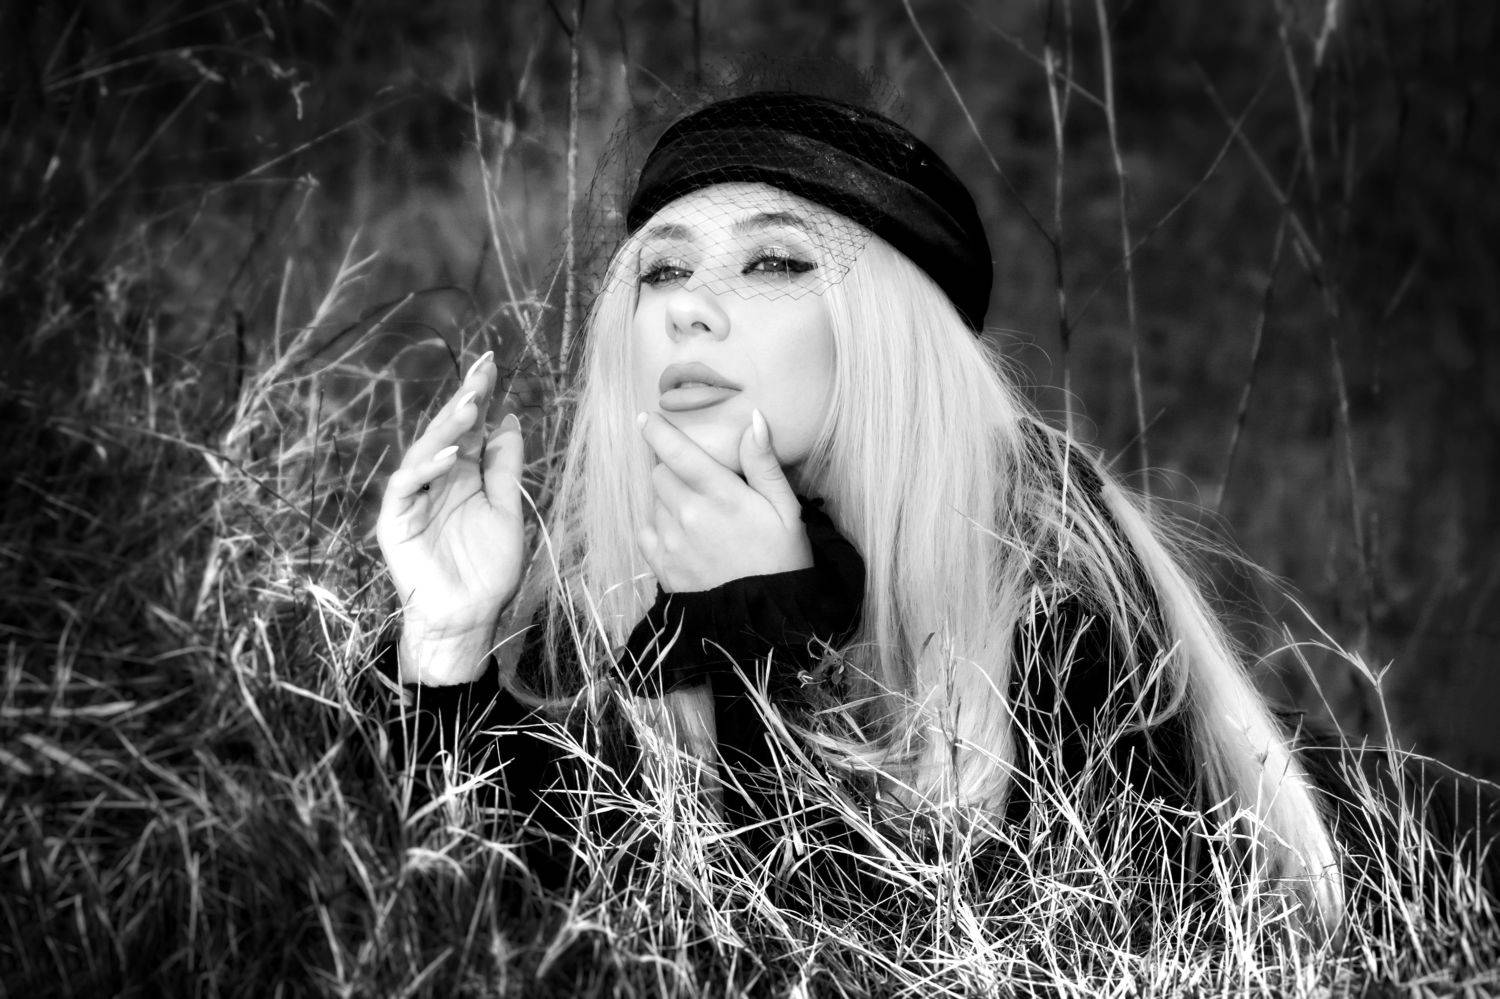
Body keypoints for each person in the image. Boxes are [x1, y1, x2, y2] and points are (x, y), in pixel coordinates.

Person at [373, 90, 1347, 934]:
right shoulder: (607, 581)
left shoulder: (1047, 578)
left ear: (888, 327)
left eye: (774, 263)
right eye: (663, 270)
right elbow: (509, 923)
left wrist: (759, 638)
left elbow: (910, 955)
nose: (685, 308)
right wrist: (448, 648)